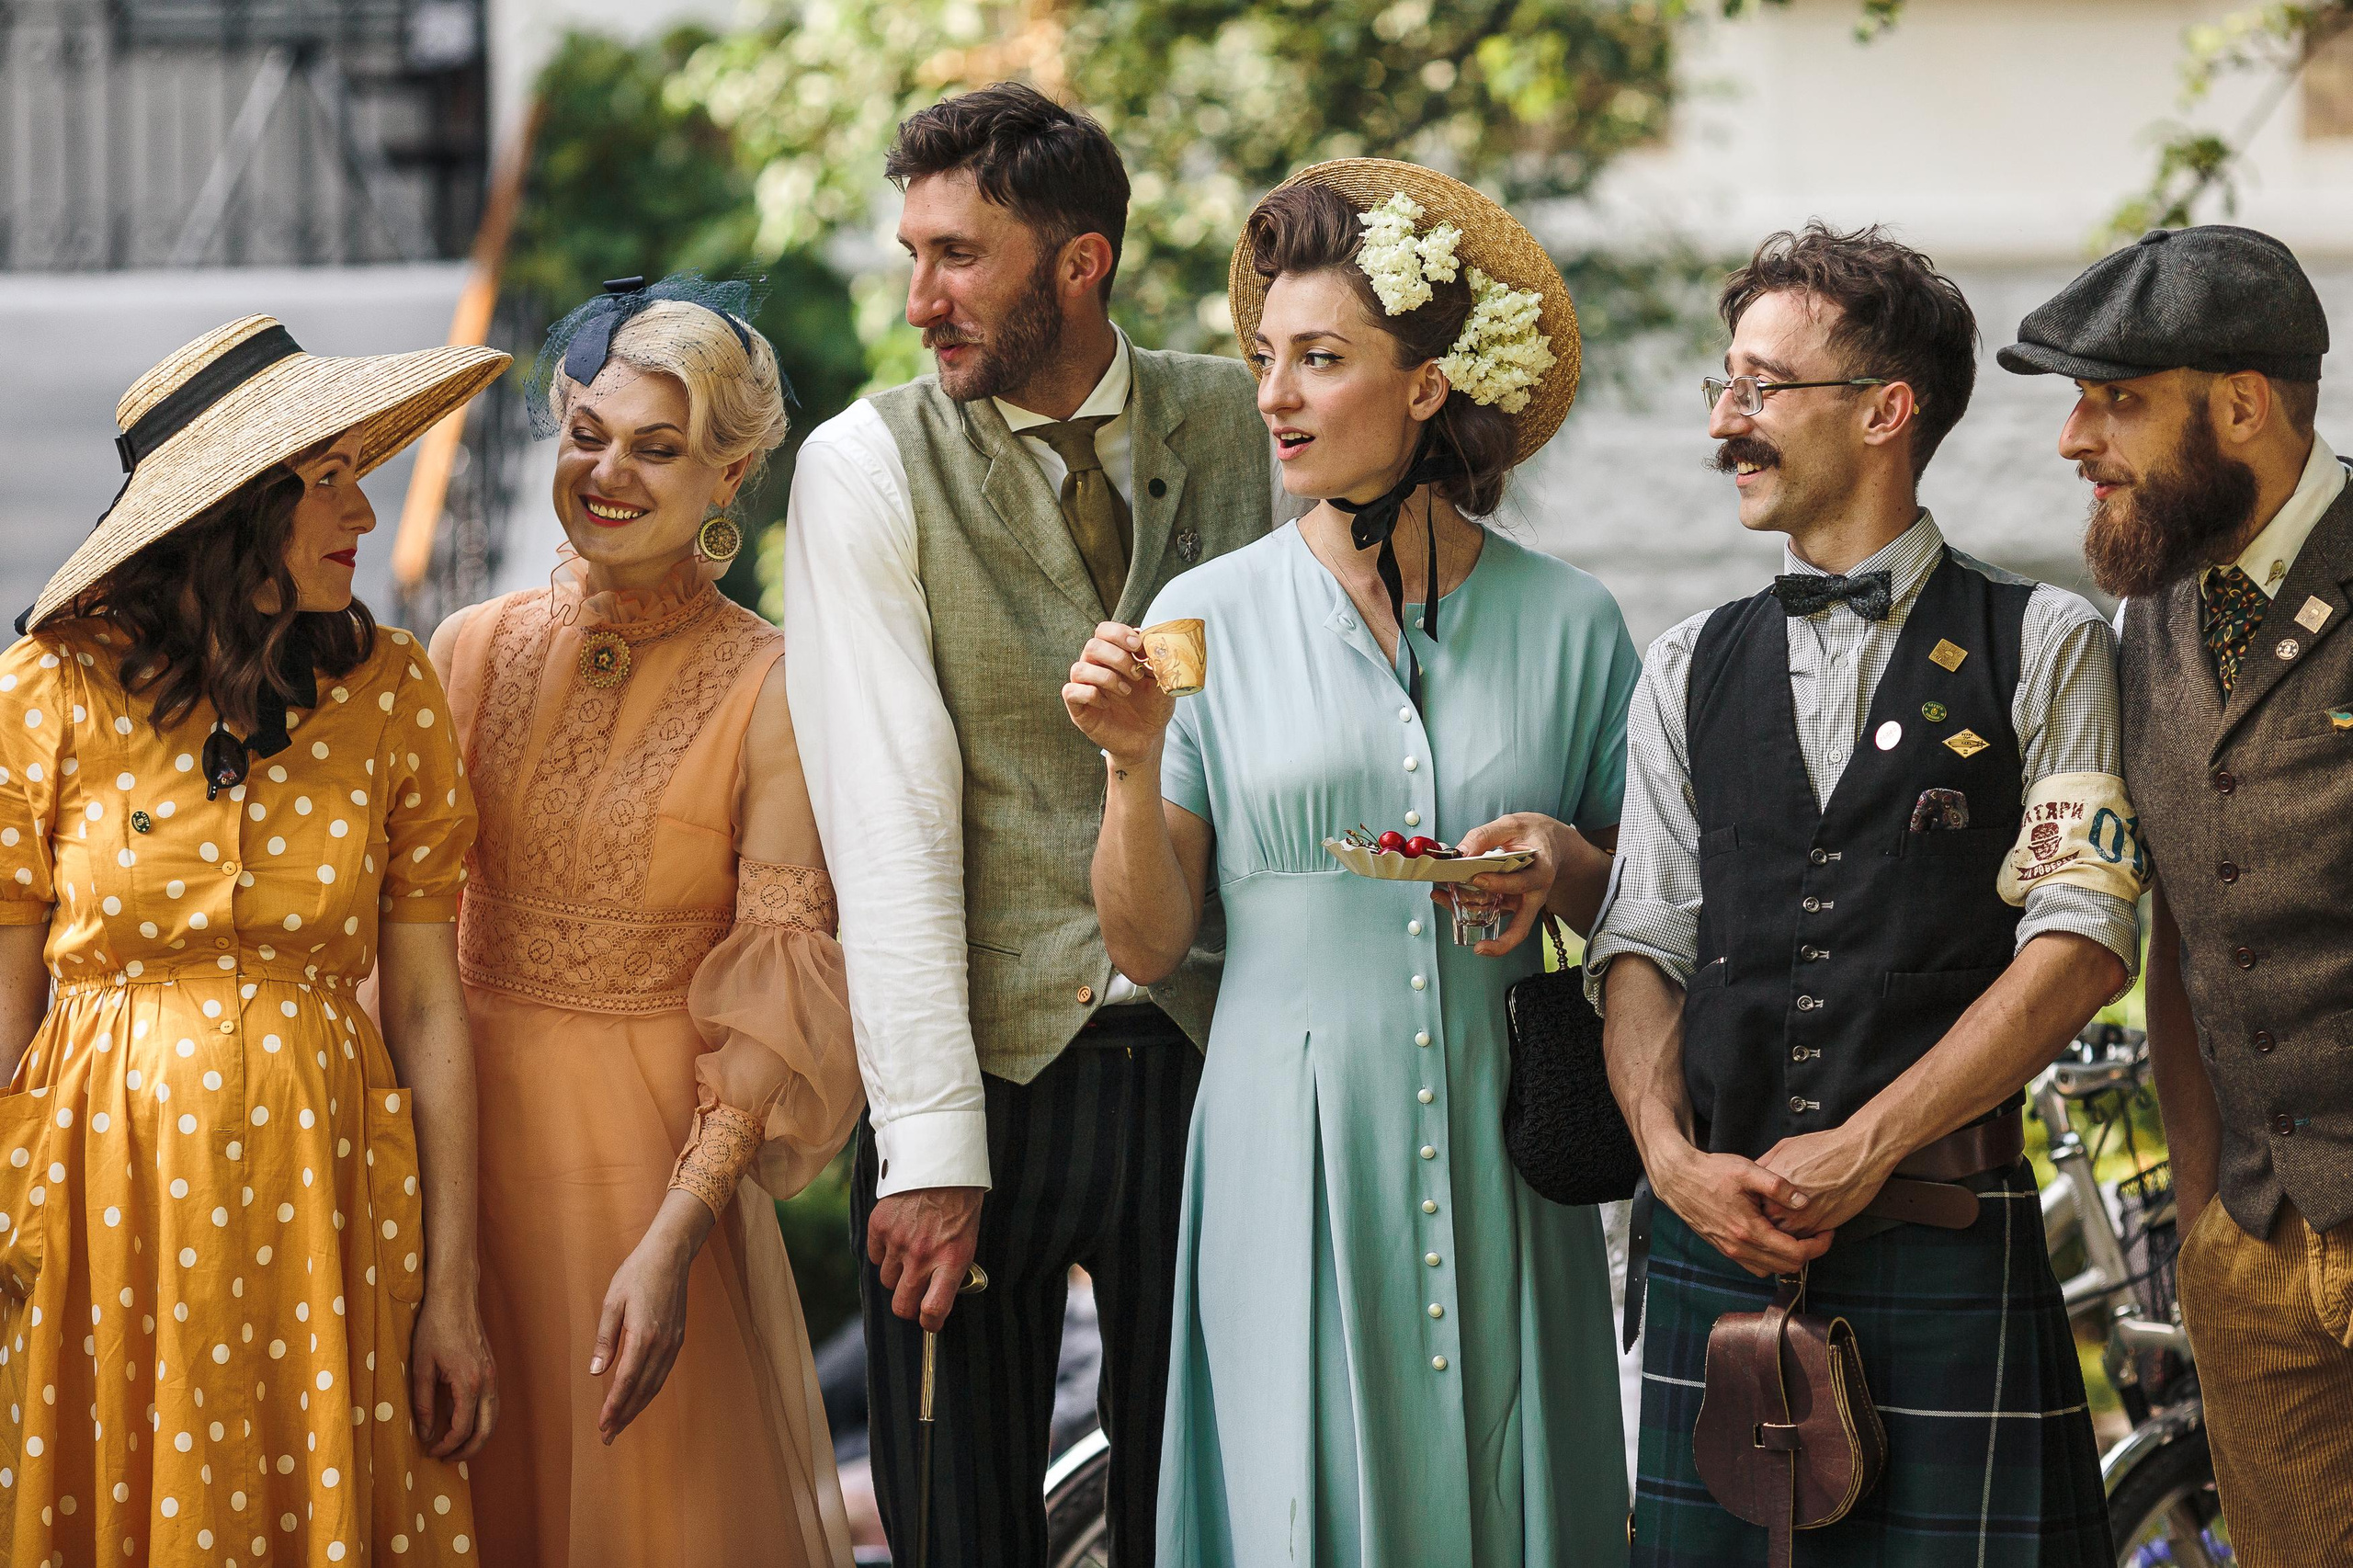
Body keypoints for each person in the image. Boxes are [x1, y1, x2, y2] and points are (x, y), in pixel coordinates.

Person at [1068, 160, 1633, 1566]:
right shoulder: (1203, 616)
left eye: (1320, 360)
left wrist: (1563, 865)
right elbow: (1144, 944)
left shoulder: (1576, 626)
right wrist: (1134, 766)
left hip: (1514, 1151)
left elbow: (1662, 902)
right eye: (1267, 359)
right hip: (1287, 1150)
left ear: (1427, 384)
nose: (1273, 397)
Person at [1590, 224, 2143, 1566]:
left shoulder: (2048, 641)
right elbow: (1644, 940)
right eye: (1726, 384)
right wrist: (1669, 1164)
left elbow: (2079, 940)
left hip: (1946, 1238)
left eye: (1764, 386)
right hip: (1713, 1251)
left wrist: (1868, 1140)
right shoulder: (1682, 665)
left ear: (1886, 411)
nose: (1728, 419)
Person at [782, 84, 1277, 1563]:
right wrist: (929, 1141)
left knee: (1203, 1517)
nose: (920, 296)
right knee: (959, 1527)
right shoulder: (864, 467)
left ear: (1081, 263)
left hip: (1213, 1060)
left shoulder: (1251, 424)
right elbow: (885, 816)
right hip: (979, 1077)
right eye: (911, 251)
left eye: (959, 256)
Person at [0, 314, 506, 1562]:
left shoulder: (391, 691)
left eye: (358, 475)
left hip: (322, 1200)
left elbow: (431, 1008)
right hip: (99, 1207)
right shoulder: (52, 688)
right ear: (234, 506)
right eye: (327, 480)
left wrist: (452, 1291)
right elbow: (4, 1000)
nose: (365, 516)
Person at [428, 278, 864, 1567]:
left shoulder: (776, 684)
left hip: (649, 1202)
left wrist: (677, 1239)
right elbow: (405, 947)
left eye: (657, 448)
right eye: (586, 433)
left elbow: (783, 978)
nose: (608, 471)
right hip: (461, 1185)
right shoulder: (463, 646)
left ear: (728, 472)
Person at [2002, 224, 2353, 1563]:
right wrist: (2210, 1229)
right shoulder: (2151, 612)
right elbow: (2183, 940)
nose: (2075, 441)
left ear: (2244, 404)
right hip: (2256, 1256)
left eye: (2116, 402)